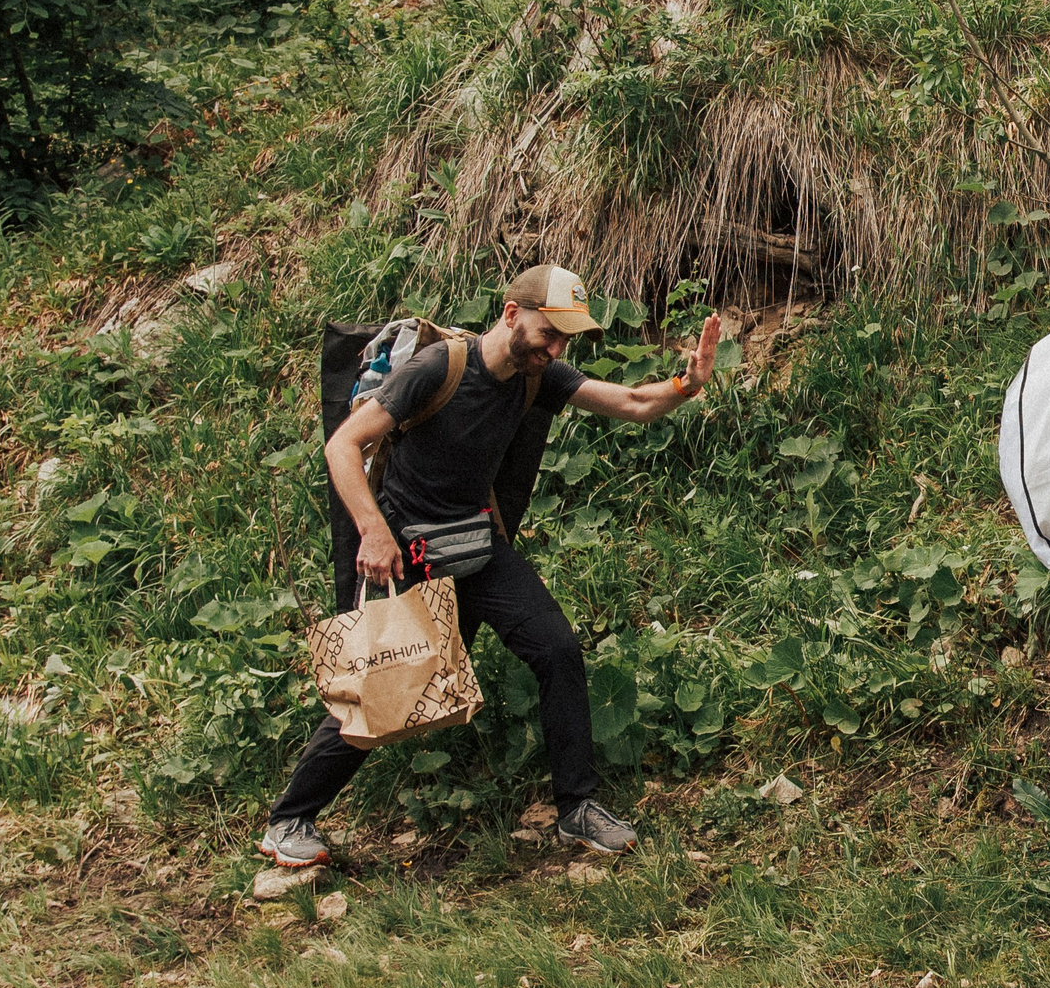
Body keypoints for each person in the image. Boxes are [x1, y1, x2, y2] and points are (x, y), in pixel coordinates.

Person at [258, 265, 723, 867]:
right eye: (548, 334)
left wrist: (686, 384)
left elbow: (632, 402)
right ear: (510, 314)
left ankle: (577, 807)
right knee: (384, 687)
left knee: (558, 650)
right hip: (411, 552)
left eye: (564, 340)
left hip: (477, 546)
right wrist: (373, 531)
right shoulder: (438, 368)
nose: (555, 350)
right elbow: (343, 444)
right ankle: (289, 820)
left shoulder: (537, 375)